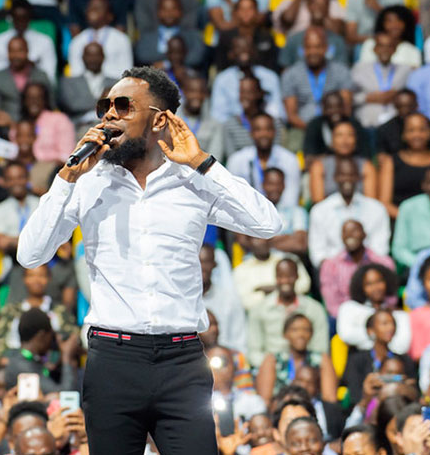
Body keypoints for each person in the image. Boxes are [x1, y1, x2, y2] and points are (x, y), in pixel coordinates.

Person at [17, 66, 282, 452]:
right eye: (104, 105)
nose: (109, 114)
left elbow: (267, 223)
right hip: (113, 361)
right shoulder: (87, 181)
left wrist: (203, 162)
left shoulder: (192, 180)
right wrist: (66, 178)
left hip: (183, 361)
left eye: (123, 106)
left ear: (160, 119)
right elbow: (30, 254)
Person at [0, 265, 79, 367]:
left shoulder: (59, 311)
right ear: (24, 279)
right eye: (31, 276)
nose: (36, 280)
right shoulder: (11, 311)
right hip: (15, 366)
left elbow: (73, 338)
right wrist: (3, 361)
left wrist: (58, 361)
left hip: (52, 368)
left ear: (49, 278)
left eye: (41, 276)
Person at [247, 259, 329, 368]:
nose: (285, 280)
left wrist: (302, 366)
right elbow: (254, 352)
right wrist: (276, 367)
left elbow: (320, 349)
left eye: (290, 276)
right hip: (270, 368)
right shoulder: (259, 309)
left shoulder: (314, 309)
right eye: (281, 276)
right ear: (275, 278)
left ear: (297, 277)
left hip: (307, 369)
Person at [309, 157, 390, 267]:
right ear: (335, 178)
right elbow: (317, 253)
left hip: (368, 269)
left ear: (358, 178)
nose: (347, 179)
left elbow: (380, 249)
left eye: (351, 175)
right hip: (332, 270)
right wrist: (336, 269)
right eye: (342, 175)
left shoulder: (377, 209)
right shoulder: (320, 210)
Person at [378, 112, 430, 219]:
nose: (417, 135)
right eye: (411, 130)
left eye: (422, 130)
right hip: (401, 220)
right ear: (403, 135)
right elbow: (385, 204)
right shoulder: (390, 162)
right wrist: (413, 220)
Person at [281, 27, 353, 133]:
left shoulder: (341, 72)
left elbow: (346, 109)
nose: (313, 52)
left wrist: (334, 131)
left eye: (317, 47)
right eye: (308, 47)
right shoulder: (291, 74)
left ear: (326, 48)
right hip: (301, 129)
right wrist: (312, 131)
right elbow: (291, 116)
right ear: (303, 49)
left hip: (336, 129)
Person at [255, 313, 337, 405]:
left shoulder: (321, 359)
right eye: (295, 330)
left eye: (306, 330)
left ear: (312, 333)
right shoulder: (273, 360)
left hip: (313, 410)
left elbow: (330, 398)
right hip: (280, 412)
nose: (301, 334)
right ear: (285, 334)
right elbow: (264, 400)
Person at [319, 220, 394, 318]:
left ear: (364, 235)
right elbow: (332, 305)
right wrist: (355, 317)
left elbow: (392, 297)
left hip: (380, 314)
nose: (350, 236)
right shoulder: (330, 265)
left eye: (354, 231)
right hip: (346, 317)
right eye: (345, 232)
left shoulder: (384, 262)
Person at [341, 308, 416, 407]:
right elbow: (355, 395)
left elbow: (414, 391)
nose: (390, 327)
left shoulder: (405, 360)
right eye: (384, 324)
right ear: (370, 330)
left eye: (392, 323)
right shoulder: (356, 360)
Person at [226, 112, 300, 208]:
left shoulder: (290, 160)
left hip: (282, 216)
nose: (263, 134)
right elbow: (233, 197)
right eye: (258, 130)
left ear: (274, 132)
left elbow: (290, 200)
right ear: (251, 133)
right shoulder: (237, 160)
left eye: (268, 129)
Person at [2, 308, 80, 395]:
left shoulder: (21, 359)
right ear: (41, 336)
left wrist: (59, 363)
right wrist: (67, 357)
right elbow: (64, 396)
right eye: (51, 336)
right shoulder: (23, 366)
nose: (52, 341)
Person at [211, 37, 285, 123]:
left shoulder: (270, 77)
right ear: (231, 54)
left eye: (247, 47)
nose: (244, 51)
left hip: (265, 128)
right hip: (233, 129)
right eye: (239, 48)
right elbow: (217, 115)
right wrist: (240, 122)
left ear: (254, 51)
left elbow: (278, 112)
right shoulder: (222, 79)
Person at [0, 161, 39, 280]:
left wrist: (12, 240)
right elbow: (1, 242)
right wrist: (36, 241)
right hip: (11, 268)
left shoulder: (41, 204)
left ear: (28, 178)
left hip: (40, 266)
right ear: (4, 182)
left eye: (20, 177)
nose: (16, 182)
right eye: (10, 179)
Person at [351, 32, 413, 129]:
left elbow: (411, 96)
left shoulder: (405, 70)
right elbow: (350, 97)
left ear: (395, 50)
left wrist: (395, 95)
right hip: (367, 123)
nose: (385, 50)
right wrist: (367, 98)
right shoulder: (359, 69)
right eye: (381, 46)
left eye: (389, 46)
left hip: (395, 125)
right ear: (374, 49)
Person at [0, 0, 57, 84]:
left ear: (30, 17)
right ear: (11, 17)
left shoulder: (45, 41)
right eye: (17, 18)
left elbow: (50, 75)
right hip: (6, 88)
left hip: (36, 89)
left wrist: (28, 67)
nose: (20, 22)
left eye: (24, 18)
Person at [308, 120, 377, 203]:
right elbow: (317, 201)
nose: (345, 140)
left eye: (349, 135)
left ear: (356, 140)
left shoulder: (366, 166)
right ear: (332, 141)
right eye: (339, 135)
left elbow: (371, 202)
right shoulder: (319, 166)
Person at [0, 35, 53, 122]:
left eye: (20, 50)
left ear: (27, 51)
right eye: (12, 51)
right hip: (6, 127)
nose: (16, 55)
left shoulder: (41, 76)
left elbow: (51, 105)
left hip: (39, 126)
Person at [279, 0, 350, 70]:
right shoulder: (293, 39)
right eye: (315, 4)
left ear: (328, 8)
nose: (319, 8)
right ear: (308, 6)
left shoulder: (338, 41)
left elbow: (343, 70)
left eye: (323, 5)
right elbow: (285, 69)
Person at [67, 0, 133, 79]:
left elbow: (127, 72)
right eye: (90, 8)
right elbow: (75, 72)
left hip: (113, 87)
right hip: (83, 88)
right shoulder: (77, 41)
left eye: (98, 8)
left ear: (110, 16)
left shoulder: (121, 39)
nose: (93, 10)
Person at [199, 245, 247, 354]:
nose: (202, 267)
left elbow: (239, 341)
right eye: (198, 262)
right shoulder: (183, 300)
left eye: (206, 262)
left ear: (214, 265)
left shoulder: (229, 299)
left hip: (225, 361)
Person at [59, 42, 117, 127]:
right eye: (89, 55)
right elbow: (73, 105)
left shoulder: (115, 82)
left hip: (109, 127)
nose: (93, 59)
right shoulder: (69, 82)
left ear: (103, 57)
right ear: (83, 58)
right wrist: (103, 102)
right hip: (78, 128)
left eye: (97, 55)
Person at [213, 0, 277, 72]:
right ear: (236, 12)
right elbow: (221, 66)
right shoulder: (226, 37)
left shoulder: (266, 37)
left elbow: (272, 68)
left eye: (250, 9)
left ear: (257, 12)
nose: (246, 12)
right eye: (242, 9)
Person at [19, 82, 76, 165]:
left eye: (38, 98)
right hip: (22, 168)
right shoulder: (21, 123)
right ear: (24, 101)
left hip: (52, 168)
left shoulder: (59, 119)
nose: (33, 102)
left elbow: (66, 156)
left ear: (45, 100)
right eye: (29, 98)